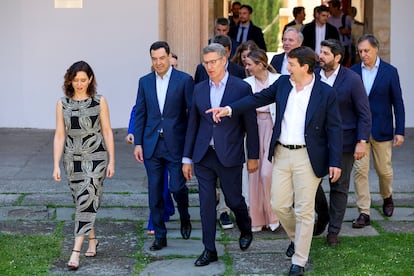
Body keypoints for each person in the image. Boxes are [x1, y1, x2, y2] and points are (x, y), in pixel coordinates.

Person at [207, 46, 343, 275]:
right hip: (281, 153)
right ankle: (297, 238)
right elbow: (257, 98)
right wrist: (229, 109)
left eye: (291, 65)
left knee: (304, 210)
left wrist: (336, 161)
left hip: (308, 157)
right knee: (279, 204)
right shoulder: (282, 84)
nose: (286, 68)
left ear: (305, 67)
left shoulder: (326, 93)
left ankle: (299, 261)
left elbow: (335, 128)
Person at [182, 43, 259, 267]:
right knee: (206, 204)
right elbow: (192, 126)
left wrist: (253, 155)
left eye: (213, 62)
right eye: (206, 63)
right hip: (204, 155)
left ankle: (245, 228)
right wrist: (187, 159)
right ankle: (209, 249)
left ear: (224, 61)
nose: (209, 66)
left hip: (230, 154)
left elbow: (251, 125)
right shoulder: (198, 89)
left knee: (234, 200)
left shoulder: (241, 88)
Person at [52, 61, 115, 270]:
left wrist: (112, 160)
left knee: (88, 197)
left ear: (90, 80)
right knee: (82, 202)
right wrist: (56, 164)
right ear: (70, 80)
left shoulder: (99, 101)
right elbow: (60, 135)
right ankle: (92, 239)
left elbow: (106, 131)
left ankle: (75, 252)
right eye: (76, 80)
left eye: (83, 80)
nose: (79, 84)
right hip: (72, 159)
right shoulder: (63, 103)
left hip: (96, 156)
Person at [133, 41, 193, 251]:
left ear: (169, 57)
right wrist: (138, 142)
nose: (158, 62)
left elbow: (191, 115)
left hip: (175, 144)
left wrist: (189, 149)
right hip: (151, 145)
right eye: (154, 59)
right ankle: (160, 235)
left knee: (177, 187)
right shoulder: (144, 82)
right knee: (155, 191)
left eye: (161, 58)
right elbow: (140, 113)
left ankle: (185, 215)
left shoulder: (184, 80)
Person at [314, 39, 371, 245]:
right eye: (321, 52)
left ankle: (333, 231)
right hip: (317, 141)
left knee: (339, 186)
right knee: (311, 183)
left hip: (345, 141)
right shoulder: (313, 76)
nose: (321, 56)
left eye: (326, 53)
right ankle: (324, 214)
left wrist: (362, 141)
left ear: (337, 57)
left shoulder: (352, 79)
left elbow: (364, 114)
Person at [350, 34, 405, 227]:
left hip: (382, 129)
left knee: (384, 171)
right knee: (360, 171)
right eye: (360, 51)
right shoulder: (353, 71)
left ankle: (387, 196)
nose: (363, 54)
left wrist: (400, 130)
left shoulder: (390, 72)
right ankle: (364, 211)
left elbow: (397, 102)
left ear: (376, 50)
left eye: (366, 51)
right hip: (360, 133)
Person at [244, 49, 281, 232]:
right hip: (253, 129)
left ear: (261, 64)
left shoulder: (278, 80)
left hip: (273, 129)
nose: (247, 67)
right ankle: (257, 219)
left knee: (268, 174)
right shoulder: (246, 84)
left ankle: (273, 216)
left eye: (250, 64)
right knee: (254, 174)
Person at [126, 105, 175, 236]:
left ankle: (168, 207)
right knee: (158, 181)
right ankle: (154, 220)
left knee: (173, 184)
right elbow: (138, 109)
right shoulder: (148, 84)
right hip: (152, 142)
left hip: (173, 140)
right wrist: (132, 131)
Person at [328, 0, 353, 66]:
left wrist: (347, 31)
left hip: (344, 47)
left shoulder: (346, 19)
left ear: (336, 8)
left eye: (330, 8)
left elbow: (355, 32)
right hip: (332, 47)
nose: (329, 10)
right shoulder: (329, 19)